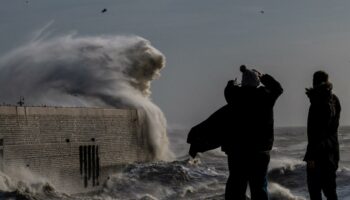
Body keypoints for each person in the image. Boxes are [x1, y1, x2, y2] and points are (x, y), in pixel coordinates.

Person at [222, 65, 283, 200]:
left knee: (236, 188)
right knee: (259, 188)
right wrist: (264, 77)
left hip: (237, 151)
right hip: (260, 151)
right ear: (257, 81)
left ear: (243, 82)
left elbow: (228, 90)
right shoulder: (265, 96)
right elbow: (278, 88)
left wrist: (232, 83)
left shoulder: (234, 97)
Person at [304, 71, 341, 200]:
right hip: (331, 153)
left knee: (314, 192)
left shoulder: (317, 103)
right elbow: (332, 130)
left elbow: (315, 133)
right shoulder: (334, 100)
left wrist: (311, 157)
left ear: (314, 83)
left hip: (317, 154)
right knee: (331, 192)